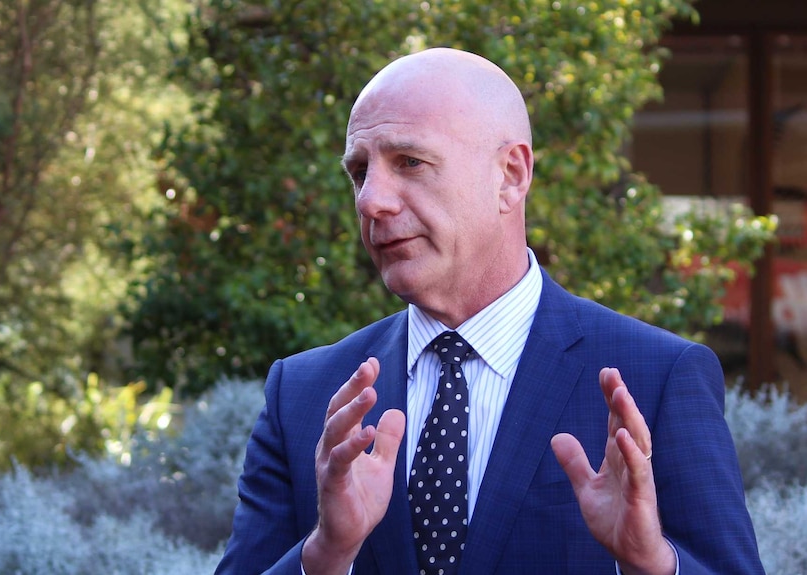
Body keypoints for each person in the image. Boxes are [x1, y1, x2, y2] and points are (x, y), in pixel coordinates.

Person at [214, 48, 764, 575]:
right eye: (360, 171)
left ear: (510, 176)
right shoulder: (304, 394)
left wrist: (651, 565)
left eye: (410, 161)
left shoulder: (657, 378)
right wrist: (326, 555)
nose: (371, 200)